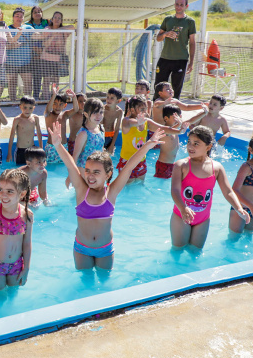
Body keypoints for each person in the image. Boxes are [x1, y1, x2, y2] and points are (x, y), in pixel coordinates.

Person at [47, 120, 164, 269]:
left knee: (103, 280)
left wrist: (148, 145)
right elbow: (71, 164)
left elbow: (129, 167)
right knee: (86, 283)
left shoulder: (111, 192)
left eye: (96, 172)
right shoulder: (82, 190)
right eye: (88, 171)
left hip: (105, 250)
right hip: (82, 248)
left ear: (108, 174)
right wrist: (57, 145)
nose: (90, 175)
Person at [171, 126, 250, 249]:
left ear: (208, 147)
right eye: (189, 142)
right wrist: (183, 208)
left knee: (196, 251)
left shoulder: (217, 168)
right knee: (178, 249)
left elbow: (228, 191)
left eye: (196, 143)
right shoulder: (181, 165)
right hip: (181, 215)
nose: (190, 147)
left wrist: (239, 208)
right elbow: (175, 190)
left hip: (203, 219)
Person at [0, 168, 34, 290]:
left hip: (16, 265)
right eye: (0, 190)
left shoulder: (27, 215)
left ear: (22, 194)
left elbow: (27, 243)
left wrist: (26, 269)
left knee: (13, 294)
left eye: (10, 191)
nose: (3, 195)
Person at [117, 96, 191, 180]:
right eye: (142, 109)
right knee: (128, 186)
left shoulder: (146, 122)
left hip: (141, 161)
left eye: (145, 109)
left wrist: (180, 131)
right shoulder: (126, 121)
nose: (145, 111)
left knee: (140, 184)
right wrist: (138, 122)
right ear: (133, 110)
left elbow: (163, 128)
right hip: (127, 161)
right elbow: (132, 123)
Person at [154, 0, 196, 100]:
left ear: (186, 6)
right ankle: (155, 110)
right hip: (165, 58)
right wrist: (165, 34)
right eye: (177, 4)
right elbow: (158, 38)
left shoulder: (190, 22)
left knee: (176, 87)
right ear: (174, 5)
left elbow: (192, 42)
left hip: (181, 59)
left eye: (181, 5)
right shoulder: (168, 19)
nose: (179, 7)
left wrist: (191, 61)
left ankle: (173, 111)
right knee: (159, 86)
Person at [153, 104, 206, 179]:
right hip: (163, 165)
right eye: (175, 117)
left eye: (179, 116)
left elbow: (191, 121)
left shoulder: (175, 128)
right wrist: (180, 123)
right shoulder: (165, 130)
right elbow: (175, 130)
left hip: (171, 164)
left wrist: (204, 113)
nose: (178, 118)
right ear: (166, 118)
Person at [39, 11, 74, 96]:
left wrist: (57, 30)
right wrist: (54, 34)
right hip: (47, 58)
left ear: (61, 20)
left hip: (58, 59)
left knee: (55, 80)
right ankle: (45, 97)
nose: (57, 19)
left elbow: (72, 27)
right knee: (46, 79)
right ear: (52, 19)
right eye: (55, 17)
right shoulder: (47, 29)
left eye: (59, 18)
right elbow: (45, 44)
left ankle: (55, 97)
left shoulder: (63, 30)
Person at [43, 84, 79, 163]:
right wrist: (54, 95)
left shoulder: (65, 115)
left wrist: (74, 97)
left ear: (65, 105)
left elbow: (76, 109)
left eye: (60, 104)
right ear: (52, 104)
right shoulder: (48, 114)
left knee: (64, 165)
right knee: (50, 165)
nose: (57, 107)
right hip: (52, 147)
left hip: (64, 146)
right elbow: (48, 109)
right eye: (55, 103)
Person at [4, 7, 34, 100]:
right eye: (17, 16)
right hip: (11, 62)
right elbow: (4, 46)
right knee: (12, 82)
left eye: (21, 16)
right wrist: (13, 45)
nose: (19, 18)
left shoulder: (28, 28)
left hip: (25, 62)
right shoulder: (7, 29)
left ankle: (27, 101)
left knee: (28, 82)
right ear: (13, 17)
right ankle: (12, 101)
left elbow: (37, 36)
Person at [7, 96, 42, 165]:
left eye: (30, 108)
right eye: (25, 108)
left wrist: (41, 150)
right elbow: (12, 136)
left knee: (32, 168)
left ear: (34, 108)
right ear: (20, 107)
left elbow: (39, 134)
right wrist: (9, 153)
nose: (27, 110)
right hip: (20, 149)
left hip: (32, 149)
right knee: (20, 170)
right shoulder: (17, 119)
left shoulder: (35, 118)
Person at [72, 98, 105, 170]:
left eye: (101, 112)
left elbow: (101, 150)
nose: (98, 116)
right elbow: (75, 156)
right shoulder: (83, 134)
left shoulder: (101, 129)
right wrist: (71, 175)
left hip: (97, 169)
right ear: (86, 114)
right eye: (95, 112)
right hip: (84, 171)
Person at [27, 6, 49, 99]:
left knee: (47, 77)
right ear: (32, 14)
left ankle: (46, 96)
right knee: (36, 77)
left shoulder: (46, 22)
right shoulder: (28, 24)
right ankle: (35, 97)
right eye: (35, 12)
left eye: (39, 11)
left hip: (46, 54)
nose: (37, 13)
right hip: (33, 55)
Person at [102, 87, 124, 153]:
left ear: (118, 101)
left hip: (111, 137)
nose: (109, 100)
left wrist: (112, 145)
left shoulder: (119, 111)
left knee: (108, 158)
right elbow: (99, 126)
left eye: (112, 98)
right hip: (102, 136)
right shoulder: (103, 109)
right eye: (108, 97)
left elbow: (117, 129)